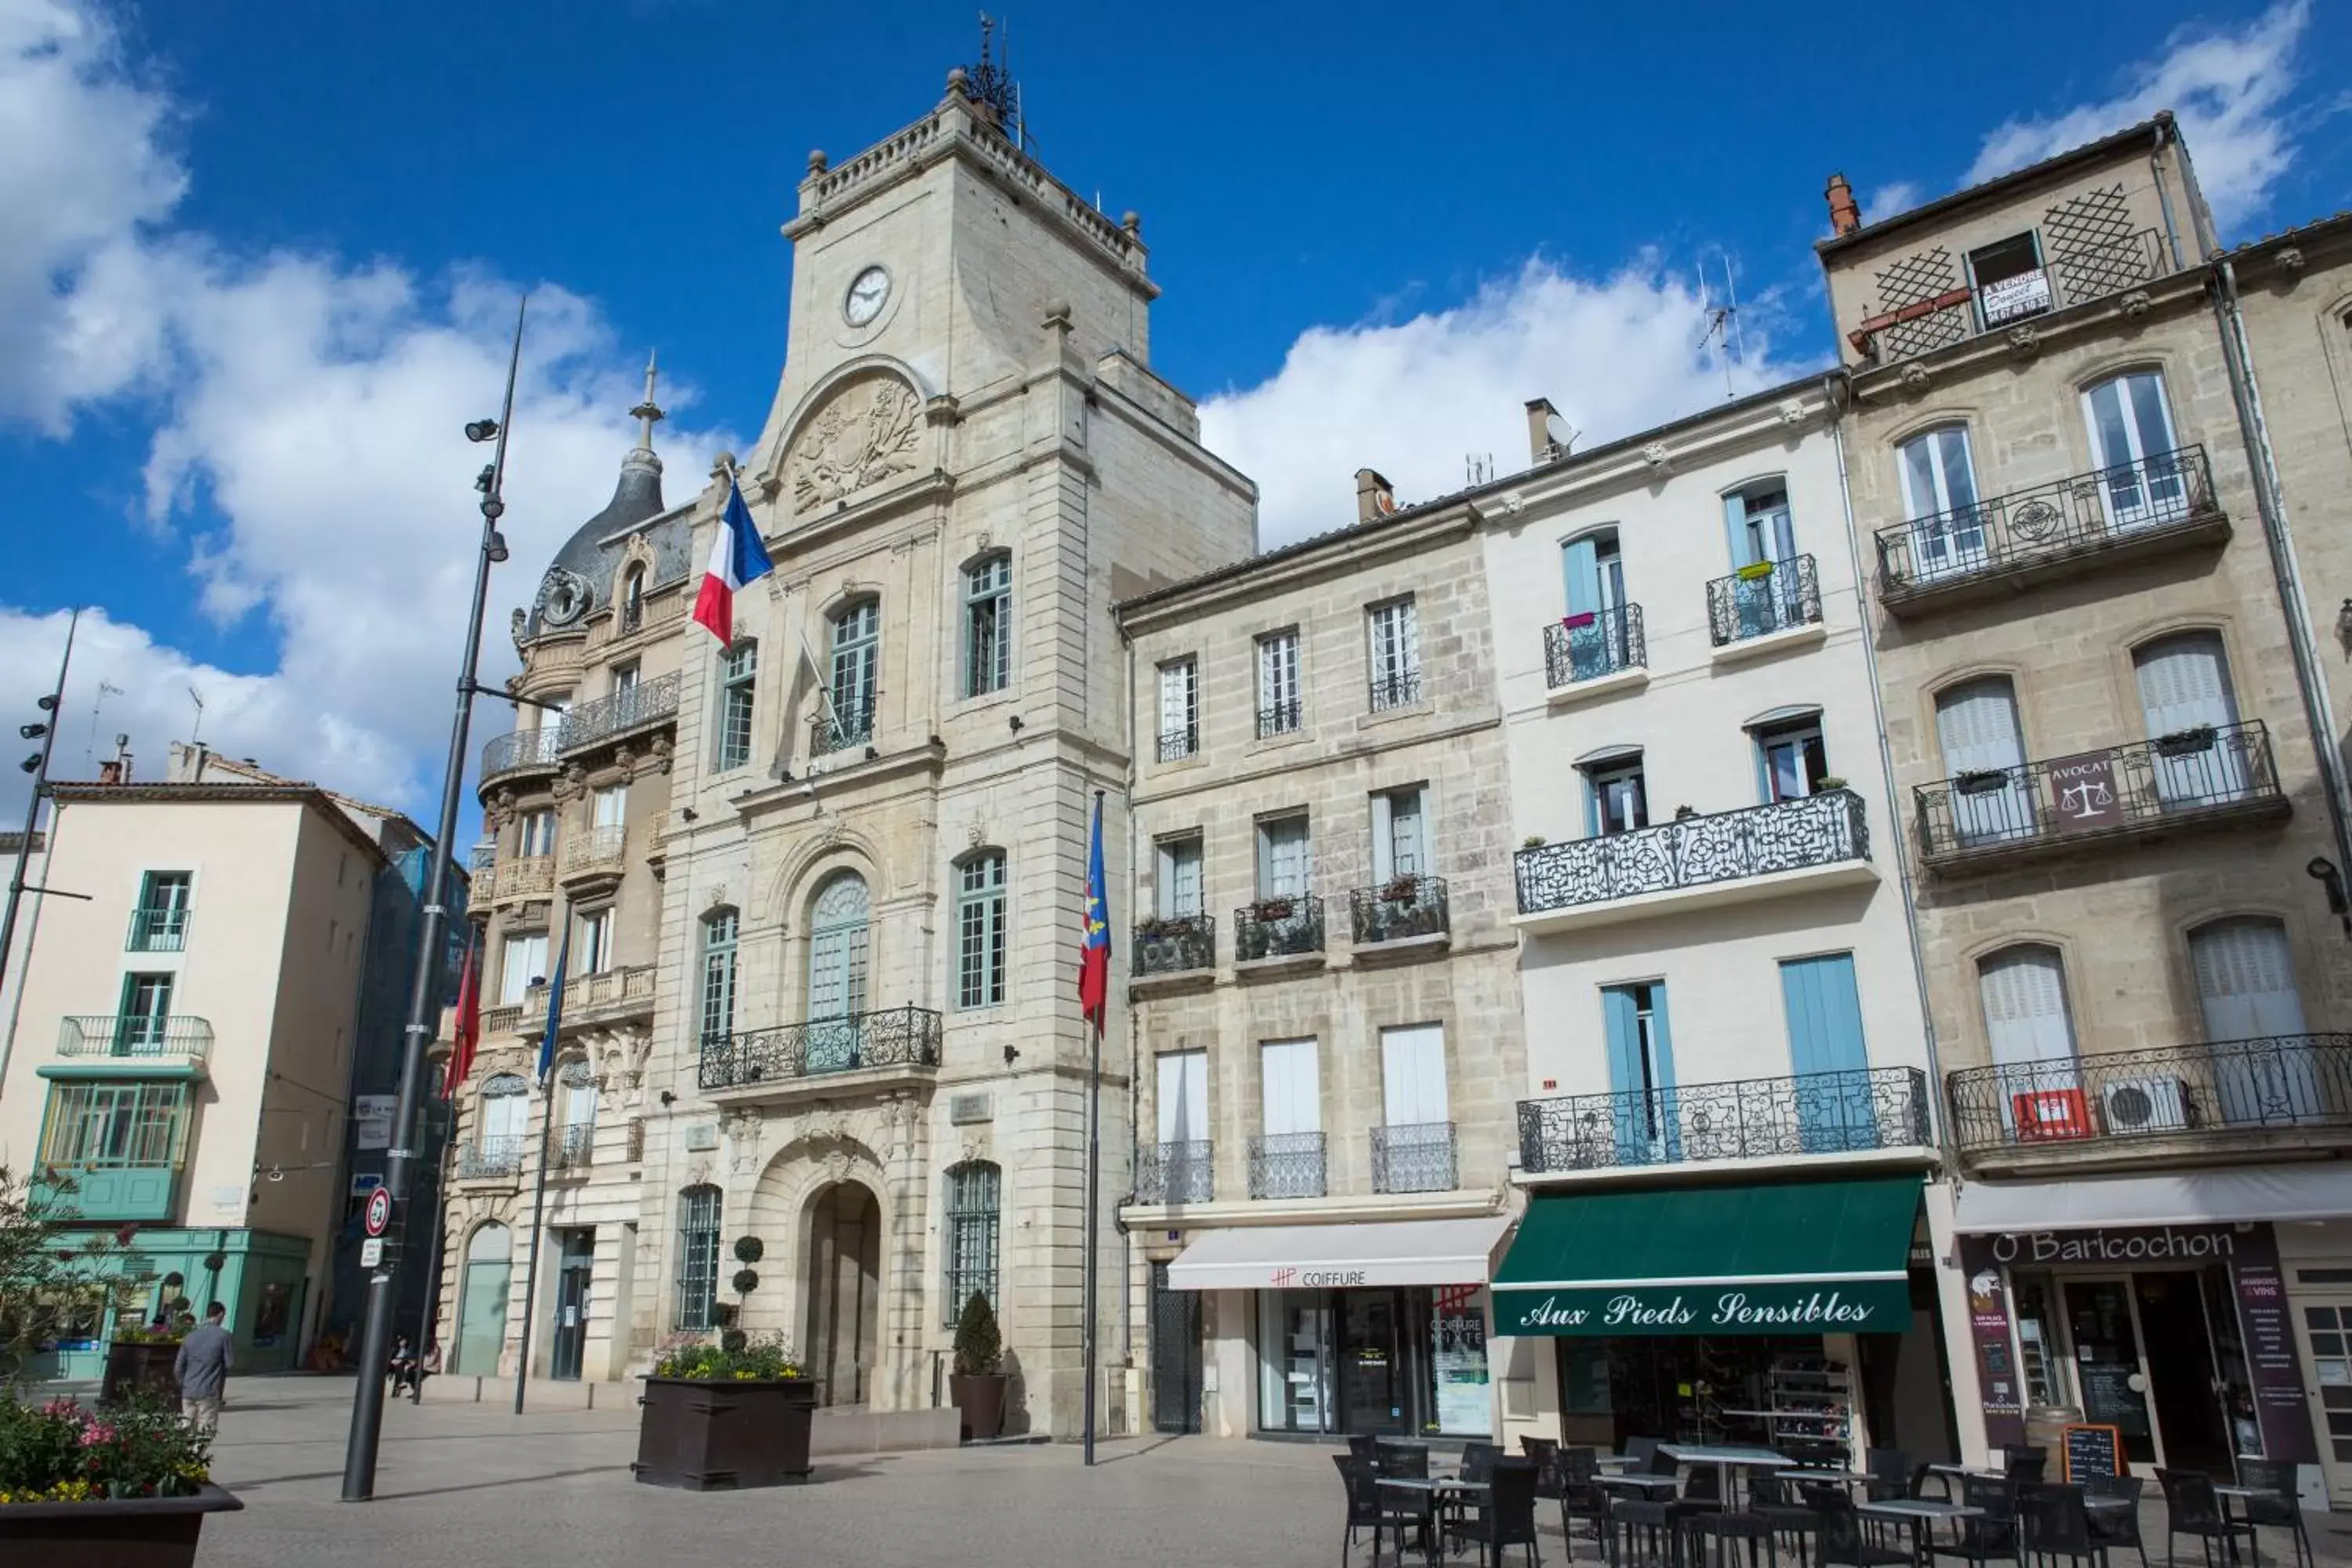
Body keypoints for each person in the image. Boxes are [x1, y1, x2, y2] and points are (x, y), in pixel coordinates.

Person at [174, 1301, 234, 1433]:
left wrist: (183, 1384)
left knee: (186, 1427)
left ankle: (185, 1452)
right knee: (206, 1429)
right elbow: (229, 1363)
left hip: (188, 1389)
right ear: (221, 1314)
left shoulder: (190, 1336)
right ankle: (198, 1452)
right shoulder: (224, 1335)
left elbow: (178, 1366)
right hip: (209, 1389)